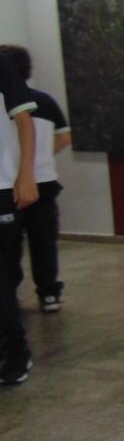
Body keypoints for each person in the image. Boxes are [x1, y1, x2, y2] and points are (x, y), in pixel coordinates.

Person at [0, 45, 70, 313]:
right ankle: (48, 292)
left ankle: (12, 290)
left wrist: (24, 168)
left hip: (17, 182)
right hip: (42, 179)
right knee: (43, 241)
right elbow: (64, 137)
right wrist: (43, 159)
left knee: (13, 243)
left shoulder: (13, 102)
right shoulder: (46, 100)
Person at [0, 51, 38, 386]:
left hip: (1, 188)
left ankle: (17, 351)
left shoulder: (1, 65)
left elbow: (24, 121)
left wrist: (26, 174)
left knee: (4, 278)